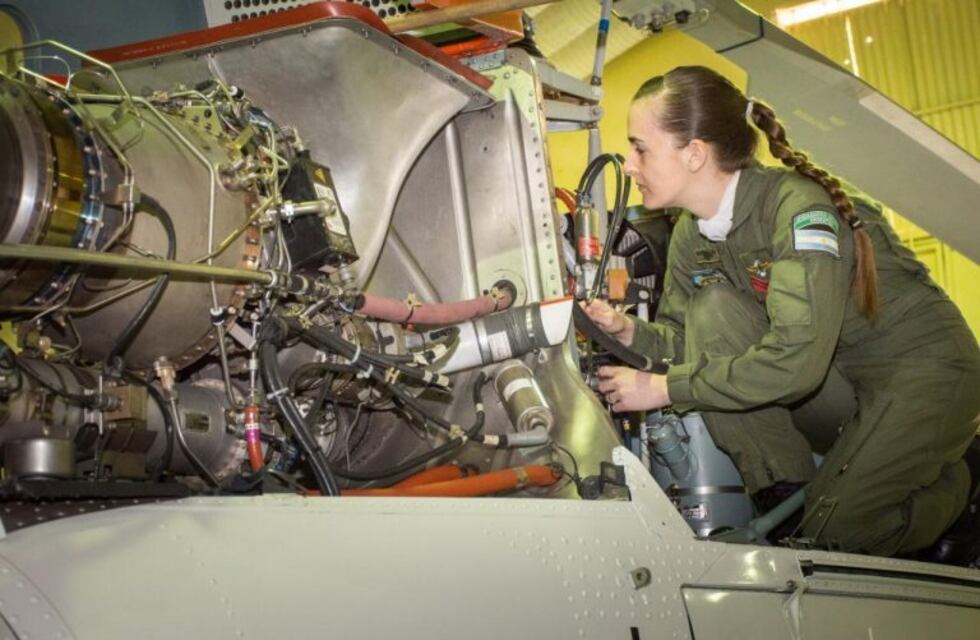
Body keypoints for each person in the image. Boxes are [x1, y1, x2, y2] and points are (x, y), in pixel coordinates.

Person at [585, 65, 980, 556]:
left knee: (843, 535)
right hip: (836, 379)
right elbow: (688, 342)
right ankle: (784, 495)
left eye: (640, 147)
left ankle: (960, 487)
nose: (628, 165)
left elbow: (795, 361)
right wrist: (629, 334)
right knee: (713, 307)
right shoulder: (693, 232)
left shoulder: (798, 209)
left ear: (694, 154)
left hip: (923, 372)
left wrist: (665, 388)